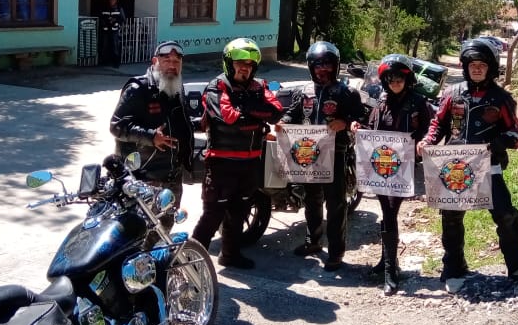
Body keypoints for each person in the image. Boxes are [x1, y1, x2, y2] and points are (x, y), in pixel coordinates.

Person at [417, 37, 518, 293]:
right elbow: (438, 124)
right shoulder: (451, 95)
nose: (477, 69)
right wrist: (427, 141)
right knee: (451, 217)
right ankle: (454, 266)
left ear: (490, 66)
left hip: (489, 168)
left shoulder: (502, 99)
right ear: (465, 66)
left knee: (505, 214)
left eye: (481, 64)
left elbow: (515, 135)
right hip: (455, 168)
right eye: (472, 64)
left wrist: (496, 144)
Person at [190, 38, 284, 269]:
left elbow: (276, 113)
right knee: (213, 215)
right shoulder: (217, 86)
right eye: (240, 63)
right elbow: (227, 118)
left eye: (250, 64)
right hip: (221, 163)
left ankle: (230, 255)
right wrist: (254, 113)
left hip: (250, 162)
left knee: (239, 211)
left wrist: (249, 110)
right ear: (229, 63)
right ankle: (189, 262)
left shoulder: (260, 86)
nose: (245, 68)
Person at [283, 41, 366, 271]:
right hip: (308, 154)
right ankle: (313, 241)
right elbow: (292, 114)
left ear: (336, 66)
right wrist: (283, 124)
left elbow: (362, 119)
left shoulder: (347, 92)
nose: (323, 69)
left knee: (336, 204)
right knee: (311, 200)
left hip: (336, 154)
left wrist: (346, 123)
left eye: (328, 64)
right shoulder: (305, 92)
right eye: (318, 65)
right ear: (311, 67)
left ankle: (336, 252)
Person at [359, 54, 432, 295]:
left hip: (403, 170)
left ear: (407, 79)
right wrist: (358, 129)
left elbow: (429, 130)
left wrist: (421, 144)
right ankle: (386, 262)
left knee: (390, 212)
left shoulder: (418, 103)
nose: (395, 82)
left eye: (400, 77)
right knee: (386, 212)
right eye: (391, 78)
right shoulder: (380, 103)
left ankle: (391, 271)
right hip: (381, 169)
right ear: (384, 80)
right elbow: (371, 130)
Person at [109, 40, 194, 230]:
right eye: (167, 60)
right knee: (141, 232)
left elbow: (180, 124)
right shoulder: (138, 88)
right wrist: (150, 137)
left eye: (177, 61)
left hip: (172, 174)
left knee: (164, 228)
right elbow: (117, 126)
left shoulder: (176, 87)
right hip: (144, 176)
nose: (172, 65)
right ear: (155, 61)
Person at [99, 0, 126, 68]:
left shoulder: (119, 8)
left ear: (116, 0)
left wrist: (115, 21)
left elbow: (123, 19)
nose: (112, 1)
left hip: (114, 30)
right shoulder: (104, 7)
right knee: (105, 46)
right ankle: (105, 62)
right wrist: (105, 22)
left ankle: (116, 63)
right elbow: (101, 17)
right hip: (106, 30)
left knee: (115, 47)